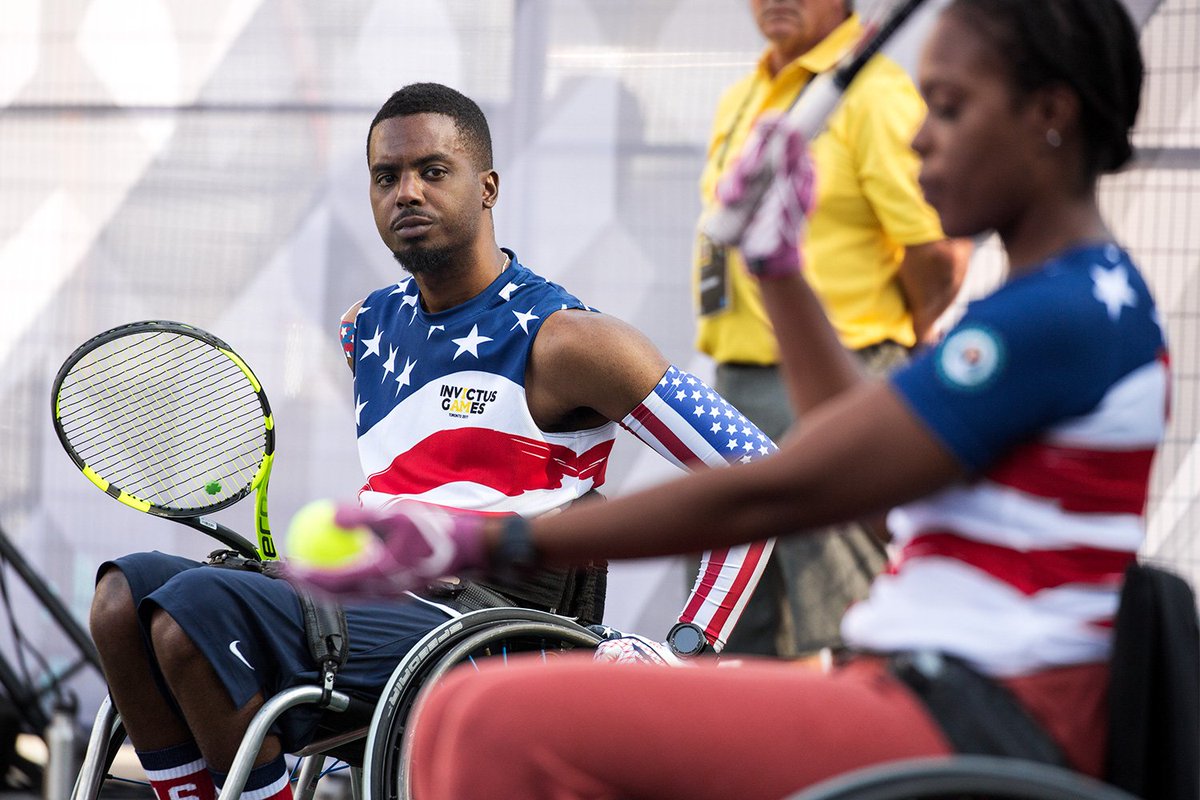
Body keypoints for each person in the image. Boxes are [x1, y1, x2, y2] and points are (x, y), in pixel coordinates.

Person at [287, 1, 1159, 797]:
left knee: (483, 721)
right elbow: (859, 476)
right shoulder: (1059, 301)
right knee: (479, 721)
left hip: (981, 709)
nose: (920, 138)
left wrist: (489, 536)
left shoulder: (1059, 315)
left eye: (950, 108)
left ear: (1051, 114)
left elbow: (785, 486)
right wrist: (779, 272)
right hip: (924, 683)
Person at [87, 82, 778, 800]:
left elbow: (757, 471)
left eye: (432, 171)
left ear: (487, 188)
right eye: (387, 177)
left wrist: (688, 647)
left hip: (490, 633)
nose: (406, 192)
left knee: (191, 616)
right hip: (375, 609)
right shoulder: (366, 327)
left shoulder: (572, 340)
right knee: (121, 600)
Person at [692, 0, 970, 658]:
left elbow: (938, 252)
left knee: (841, 625)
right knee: (732, 626)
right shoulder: (744, 93)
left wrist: (896, 343)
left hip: (838, 385)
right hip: (735, 386)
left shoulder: (873, 96)